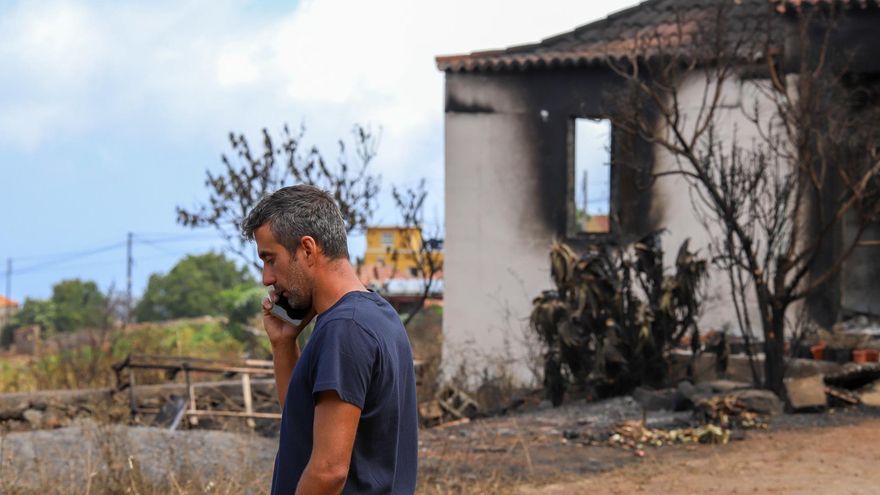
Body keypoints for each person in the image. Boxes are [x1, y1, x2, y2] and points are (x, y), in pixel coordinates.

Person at [240, 185, 418, 494]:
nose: (266, 278)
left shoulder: (345, 329)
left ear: (307, 249)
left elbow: (328, 471)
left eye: (270, 259)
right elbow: (303, 426)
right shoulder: (376, 314)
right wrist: (283, 345)